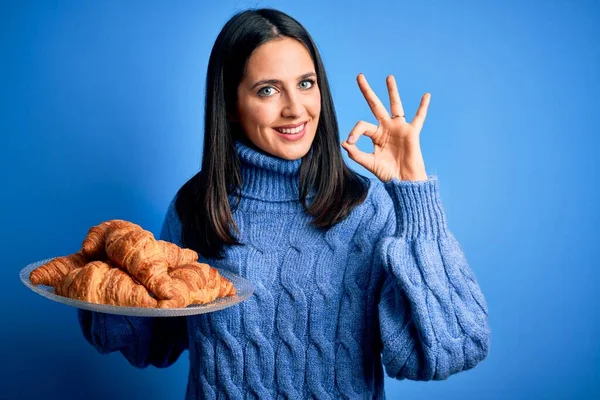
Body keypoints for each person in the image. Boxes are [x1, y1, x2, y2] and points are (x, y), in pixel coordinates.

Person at [78, 8, 490, 399]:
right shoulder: (196, 206)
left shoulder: (367, 208)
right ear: (232, 106)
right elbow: (154, 346)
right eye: (268, 90)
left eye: (306, 84)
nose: (295, 109)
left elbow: (454, 348)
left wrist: (413, 192)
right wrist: (101, 294)